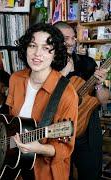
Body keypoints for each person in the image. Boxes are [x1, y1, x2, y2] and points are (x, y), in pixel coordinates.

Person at [7, 23, 78, 179]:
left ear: (55, 54)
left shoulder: (67, 93)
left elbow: (65, 148)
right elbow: (9, 121)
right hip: (14, 168)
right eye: (32, 45)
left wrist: (39, 148)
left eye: (46, 48)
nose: (37, 53)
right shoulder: (16, 79)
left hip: (45, 173)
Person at [54, 21, 109, 180]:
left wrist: (99, 84)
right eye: (66, 39)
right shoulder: (48, 65)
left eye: (73, 38)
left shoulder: (88, 63)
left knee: (91, 174)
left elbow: (103, 99)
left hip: (89, 130)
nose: (71, 42)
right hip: (59, 128)